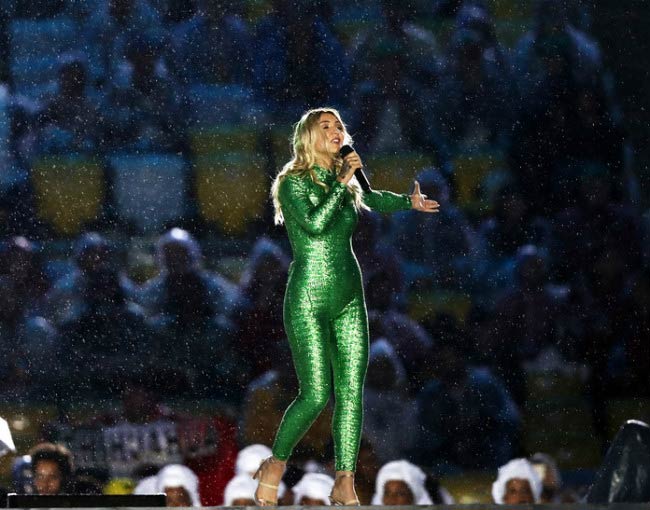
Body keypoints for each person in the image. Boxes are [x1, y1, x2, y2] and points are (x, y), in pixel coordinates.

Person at [252, 107, 440, 506]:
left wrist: (408, 202)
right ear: (308, 137)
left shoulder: (349, 177)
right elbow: (316, 226)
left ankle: (344, 479)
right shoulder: (292, 182)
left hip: (350, 293)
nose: (337, 131)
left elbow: (371, 199)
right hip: (308, 295)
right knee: (316, 393)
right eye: (327, 127)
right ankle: (275, 463)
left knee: (352, 392)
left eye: (339, 125)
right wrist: (340, 180)